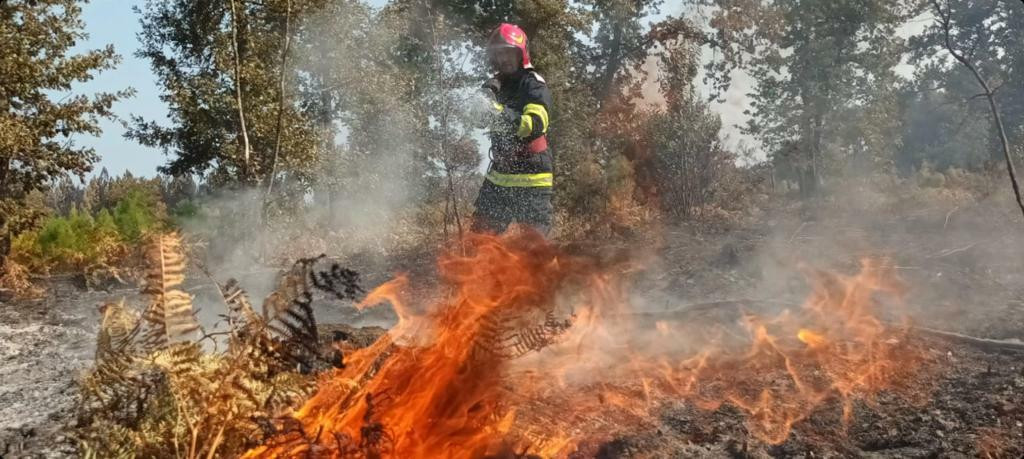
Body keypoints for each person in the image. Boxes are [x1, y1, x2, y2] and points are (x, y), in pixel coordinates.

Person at [471, 23, 553, 236]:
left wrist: (498, 113)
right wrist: (477, 109)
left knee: (533, 250)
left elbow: (535, 124)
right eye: (500, 53)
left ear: (520, 54)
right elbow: (478, 122)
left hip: (532, 175)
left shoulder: (533, 84)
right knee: (480, 241)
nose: (505, 58)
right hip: (500, 173)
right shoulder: (495, 86)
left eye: (510, 52)